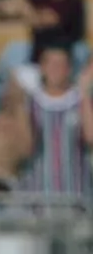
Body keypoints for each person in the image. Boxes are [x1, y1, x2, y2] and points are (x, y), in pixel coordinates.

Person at [18, 43, 93, 197]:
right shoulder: (31, 102)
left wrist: (84, 92)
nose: (55, 69)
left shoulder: (79, 101)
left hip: (76, 194)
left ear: (69, 69)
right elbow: (25, 148)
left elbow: (91, 137)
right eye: (51, 64)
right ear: (42, 68)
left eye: (60, 65)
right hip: (39, 195)